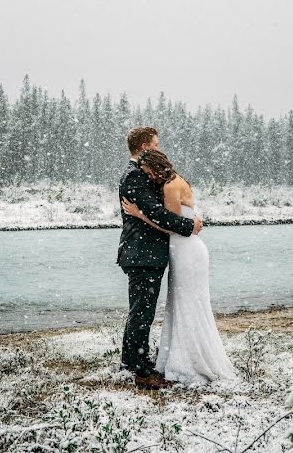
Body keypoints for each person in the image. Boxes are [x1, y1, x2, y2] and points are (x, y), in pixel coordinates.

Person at [121, 149, 236, 385]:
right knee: (176, 306)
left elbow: (168, 222)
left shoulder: (171, 186)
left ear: (154, 167)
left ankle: (183, 360)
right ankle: (152, 361)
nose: (147, 176)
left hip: (185, 251)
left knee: (185, 305)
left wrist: (139, 214)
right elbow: (166, 217)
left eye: (148, 172)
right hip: (180, 251)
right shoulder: (170, 181)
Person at [117, 126, 203, 390]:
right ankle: (141, 371)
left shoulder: (144, 174)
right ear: (144, 146)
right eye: (155, 143)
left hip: (146, 253)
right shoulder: (135, 176)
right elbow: (155, 212)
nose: (158, 147)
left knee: (141, 311)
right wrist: (188, 227)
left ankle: (131, 363)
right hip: (142, 254)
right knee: (142, 313)